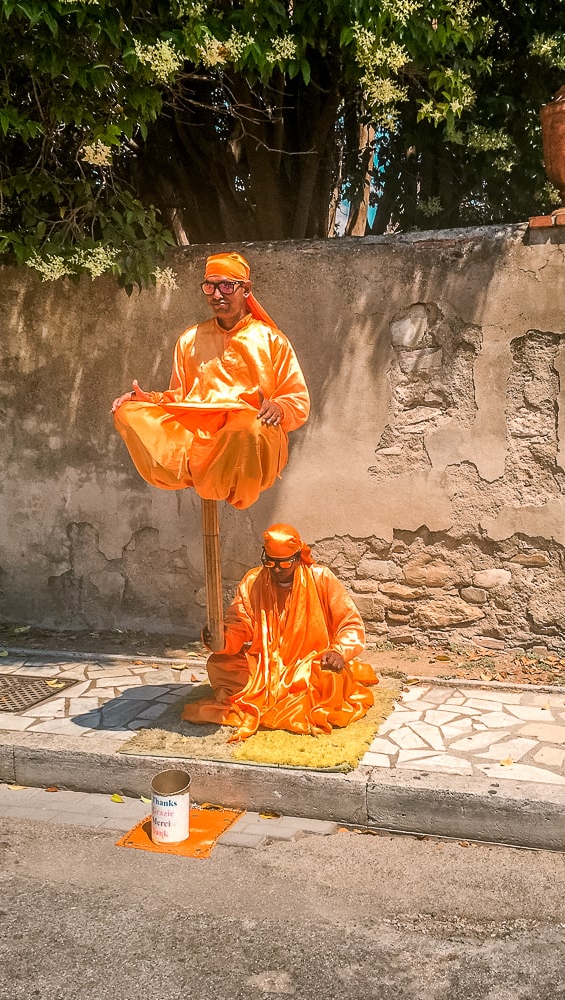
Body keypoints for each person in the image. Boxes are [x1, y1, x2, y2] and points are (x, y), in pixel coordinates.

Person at [111, 252, 310, 510]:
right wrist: (150, 399)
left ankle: (213, 471)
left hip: (245, 434)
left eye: (226, 286)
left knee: (249, 427)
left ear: (246, 289)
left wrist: (279, 407)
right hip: (197, 430)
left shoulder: (271, 339)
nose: (217, 295)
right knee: (127, 412)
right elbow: (180, 396)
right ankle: (202, 468)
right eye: (210, 286)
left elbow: (298, 400)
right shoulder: (189, 339)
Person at [183, 523, 379, 741]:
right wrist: (221, 637)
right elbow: (240, 623)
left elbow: (350, 622)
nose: (276, 569)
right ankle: (276, 698)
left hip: (308, 663)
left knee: (330, 677)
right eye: (270, 562)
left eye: (284, 563)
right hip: (264, 666)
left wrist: (339, 652)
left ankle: (288, 699)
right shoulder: (252, 580)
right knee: (220, 665)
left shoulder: (321, 577)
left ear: (297, 558)